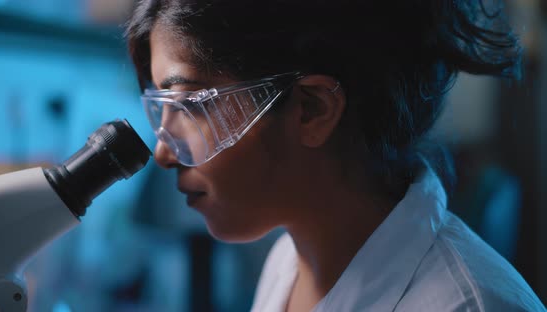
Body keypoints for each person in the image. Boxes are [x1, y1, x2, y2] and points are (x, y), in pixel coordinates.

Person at [125, 0, 546, 311]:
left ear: (312, 110)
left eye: (192, 106)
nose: (164, 152)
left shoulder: (469, 305)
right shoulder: (289, 263)